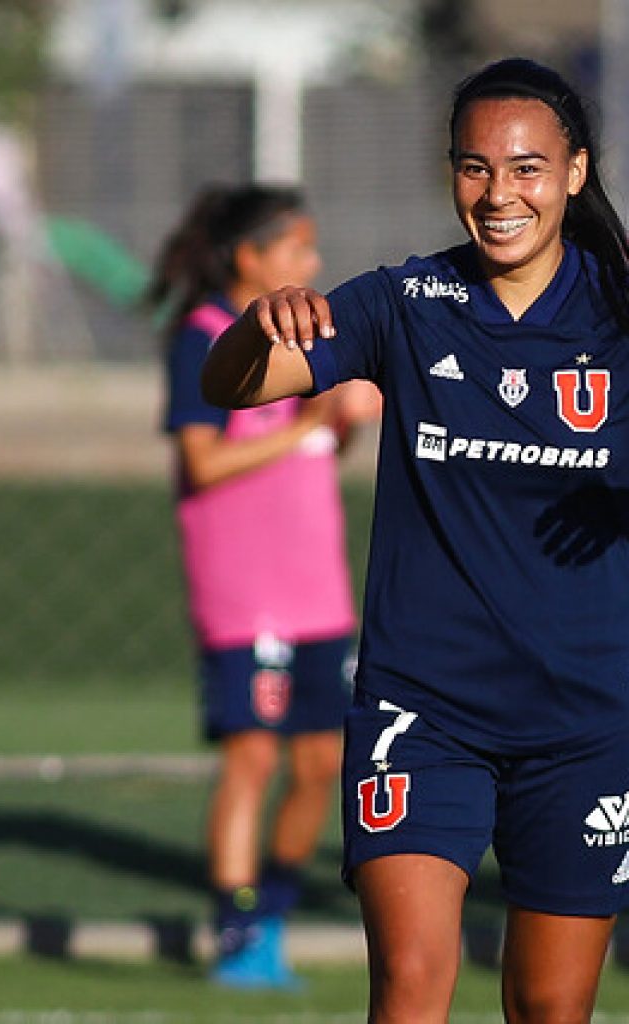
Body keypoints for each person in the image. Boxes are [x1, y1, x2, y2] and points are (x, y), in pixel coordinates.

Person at [202, 57, 629, 1023]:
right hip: (423, 709)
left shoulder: (618, 313)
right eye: (475, 168)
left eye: (526, 168)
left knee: (551, 1006)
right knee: (409, 982)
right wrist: (255, 327)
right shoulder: (405, 301)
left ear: (573, 173)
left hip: (587, 717)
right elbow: (228, 386)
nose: (499, 193)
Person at [148, 185, 377, 988]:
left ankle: (271, 916)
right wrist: (309, 425)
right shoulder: (205, 338)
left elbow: (313, 450)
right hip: (247, 596)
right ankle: (235, 928)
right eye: (296, 248)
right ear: (249, 258)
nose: (312, 262)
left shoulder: (308, 342)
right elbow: (204, 462)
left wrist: (339, 421)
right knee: (251, 756)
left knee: (321, 763)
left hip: (319, 592)